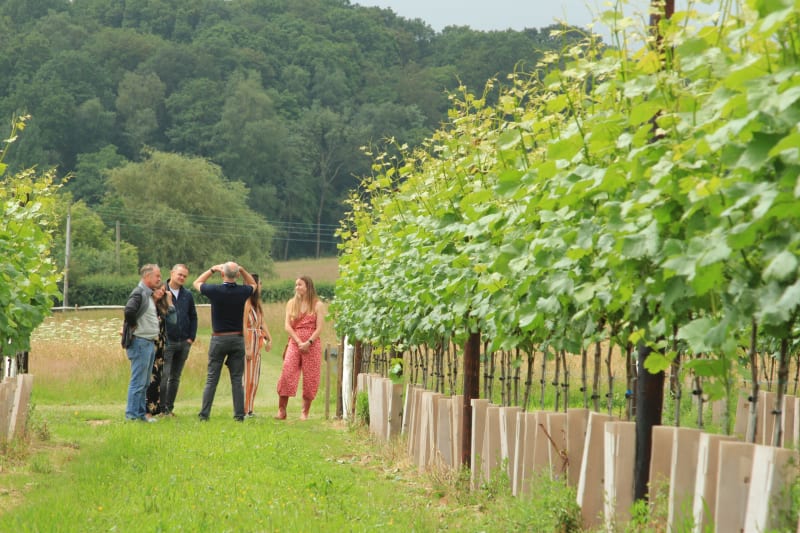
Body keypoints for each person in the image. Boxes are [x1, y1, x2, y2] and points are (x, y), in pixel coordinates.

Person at [193, 261, 256, 421]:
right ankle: (239, 415)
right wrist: (242, 269)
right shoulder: (243, 291)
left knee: (212, 378)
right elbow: (253, 283)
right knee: (236, 379)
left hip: (219, 338)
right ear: (237, 275)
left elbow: (197, 283)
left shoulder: (215, 290)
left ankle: (204, 414)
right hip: (237, 338)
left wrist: (212, 269)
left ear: (222, 274)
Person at [275, 276, 324, 420]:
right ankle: (281, 410)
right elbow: (287, 326)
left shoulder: (317, 305)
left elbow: (319, 327)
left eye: (300, 285)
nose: (297, 287)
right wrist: (298, 341)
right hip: (294, 343)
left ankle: (304, 412)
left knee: (310, 377)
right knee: (287, 373)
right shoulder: (291, 304)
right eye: (296, 285)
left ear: (308, 286)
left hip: (312, 345)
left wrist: (308, 342)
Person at [123, 264, 162, 422]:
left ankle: (140, 414)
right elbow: (129, 311)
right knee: (138, 381)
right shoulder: (139, 293)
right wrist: (133, 325)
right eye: (157, 276)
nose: (159, 279)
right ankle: (132, 416)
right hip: (140, 342)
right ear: (147, 277)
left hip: (148, 342)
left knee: (145, 382)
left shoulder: (148, 294)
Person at [160, 264, 198, 416]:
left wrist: (191, 337)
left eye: (184, 276)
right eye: (179, 274)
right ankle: (160, 408)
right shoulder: (161, 291)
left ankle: (169, 408)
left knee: (175, 378)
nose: (182, 278)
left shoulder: (187, 295)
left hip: (184, 342)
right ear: (172, 273)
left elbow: (193, 316)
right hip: (168, 341)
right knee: (164, 376)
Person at [243, 274, 272, 417]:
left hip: (257, 339)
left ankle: (250, 408)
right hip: (249, 338)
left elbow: (262, 322)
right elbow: (243, 324)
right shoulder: (246, 302)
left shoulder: (257, 304)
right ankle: (243, 408)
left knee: (254, 377)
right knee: (247, 376)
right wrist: (247, 346)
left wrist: (269, 337)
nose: (260, 286)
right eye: (259, 283)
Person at [146, 284, 175, 420]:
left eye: (163, 290)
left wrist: (169, 302)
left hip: (161, 346)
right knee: (148, 378)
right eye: (158, 289)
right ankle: (144, 410)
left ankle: (153, 411)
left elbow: (173, 320)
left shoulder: (161, 307)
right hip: (148, 344)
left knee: (157, 379)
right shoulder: (146, 305)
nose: (161, 292)